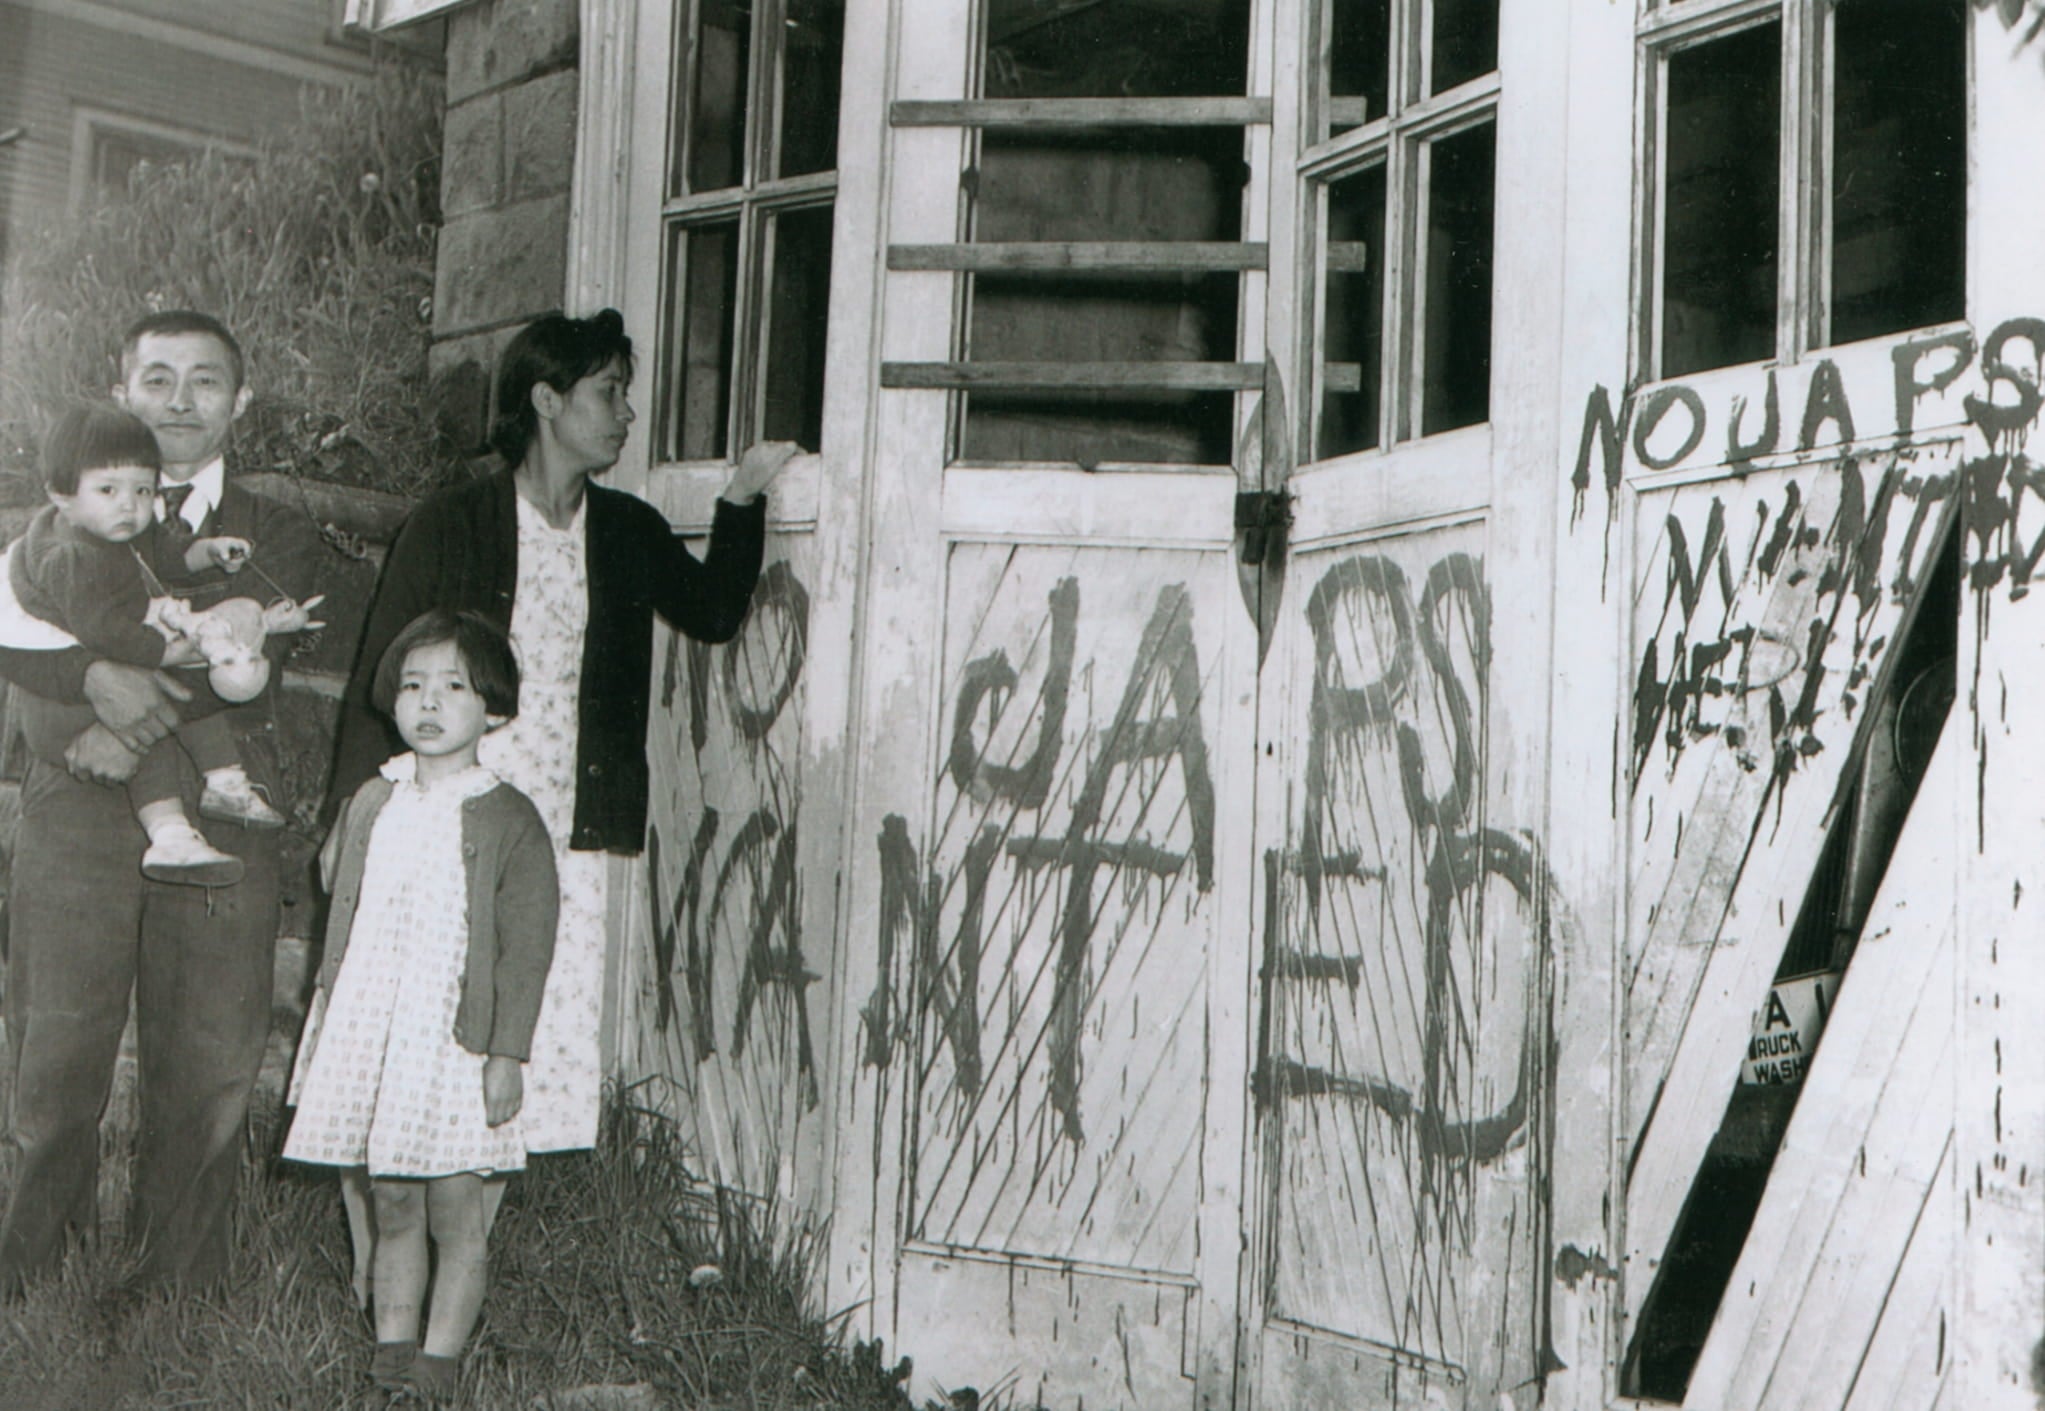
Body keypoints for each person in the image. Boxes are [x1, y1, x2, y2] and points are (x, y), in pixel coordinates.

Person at [330, 308, 793, 1166]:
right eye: (608, 392)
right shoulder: (450, 522)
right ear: (546, 398)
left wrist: (740, 498)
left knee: (538, 1017)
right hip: (453, 824)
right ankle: (414, 1220)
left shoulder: (625, 530)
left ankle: (485, 1224)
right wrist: (352, 822)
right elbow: (380, 681)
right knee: (436, 1015)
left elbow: (716, 610)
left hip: (571, 832)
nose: (625, 413)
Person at [0, 310, 322, 1295]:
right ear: (120, 390)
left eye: (205, 381)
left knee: (211, 1065)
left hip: (219, 818)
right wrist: (77, 715)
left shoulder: (276, 536)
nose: (179, 401)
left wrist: (109, 701)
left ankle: (172, 1297)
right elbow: (14, 656)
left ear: (241, 402)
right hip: (76, 815)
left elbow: (247, 676)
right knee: (54, 1059)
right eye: (157, 379)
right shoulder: (48, 526)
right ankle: (26, 1280)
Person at [286, 609, 556, 1403]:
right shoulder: (378, 796)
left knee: (454, 1206)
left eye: (453, 687)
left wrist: (506, 1052)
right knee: (392, 1192)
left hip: (454, 1040)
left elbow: (526, 950)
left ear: (495, 711)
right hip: (378, 1025)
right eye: (412, 686)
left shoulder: (509, 817)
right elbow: (340, 890)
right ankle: (392, 1358)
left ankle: (439, 1366)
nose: (427, 703)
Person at [7, 404, 306, 885]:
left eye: (143, 490)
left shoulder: (120, 526)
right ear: (62, 497)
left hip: (122, 648)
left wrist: (206, 552)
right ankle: (169, 833)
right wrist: (162, 651)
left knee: (186, 693)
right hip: (77, 693)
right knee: (159, 729)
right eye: (108, 490)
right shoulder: (70, 558)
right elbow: (100, 628)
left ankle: (225, 781)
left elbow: (163, 556)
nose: (129, 505)